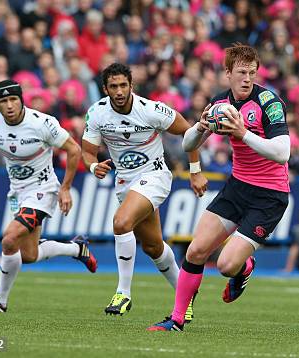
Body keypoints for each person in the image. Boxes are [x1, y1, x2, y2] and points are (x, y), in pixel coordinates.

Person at [148, 44, 290, 331]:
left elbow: (282, 152)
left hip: (269, 196)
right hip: (237, 187)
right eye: (241, 72)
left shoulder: (269, 103)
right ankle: (176, 320)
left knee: (226, 266)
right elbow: (187, 144)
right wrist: (201, 127)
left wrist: (243, 133)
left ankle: (244, 268)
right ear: (228, 73)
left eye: (251, 72)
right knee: (195, 251)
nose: (247, 78)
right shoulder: (219, 104)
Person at [81, 63, 208, 317]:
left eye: (123, 85)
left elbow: (190, 132)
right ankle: (185, 294)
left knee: (121, 222)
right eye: (113, 86)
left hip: (155, 176)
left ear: (131, 86)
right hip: (125, 182)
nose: (119, 91)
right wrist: (93, 165)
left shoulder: (151, 110)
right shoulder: (97, 113)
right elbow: (87, 151)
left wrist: (195, 171)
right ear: (105, 89)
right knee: (153, 247)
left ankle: (123, 294)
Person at [0, 79, 95, 313]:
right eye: (3, 101)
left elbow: (74, 150)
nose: (9, 105)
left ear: (21, 100)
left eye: (13, 99)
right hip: (17, 192)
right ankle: (77, 249)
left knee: (9, 239)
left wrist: (65, 188)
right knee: (28, 255)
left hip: (43, 190)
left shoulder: (42, 123)